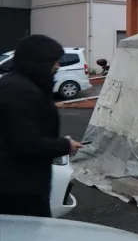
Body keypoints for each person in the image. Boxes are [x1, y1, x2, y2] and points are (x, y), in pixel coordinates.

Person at [0, 35, 84, 217]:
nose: (57, 66)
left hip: (16, 185)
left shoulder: (15, 85)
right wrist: (64, 145)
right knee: (24, 239)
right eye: (54, 62)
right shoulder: (20, 92)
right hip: (17, 190)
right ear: (37, 62)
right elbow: (26, 144)